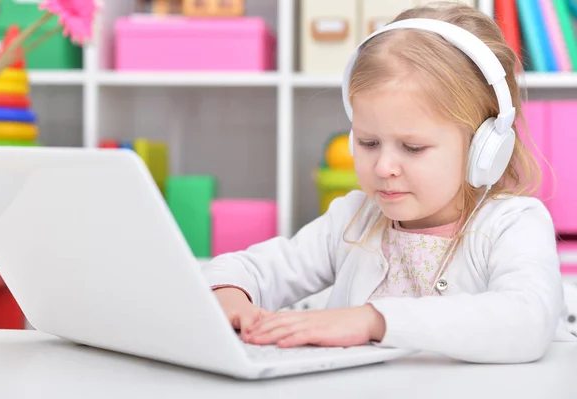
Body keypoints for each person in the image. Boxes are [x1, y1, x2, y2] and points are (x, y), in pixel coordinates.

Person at [201, 1, 577, 363]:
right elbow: (246, 268)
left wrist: (373, 320)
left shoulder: (513, 224)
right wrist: (232, 296)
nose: (383, 167)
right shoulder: (353, 218)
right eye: (367, 143)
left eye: (412, 147)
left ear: (484, 147)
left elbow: (526, 321)